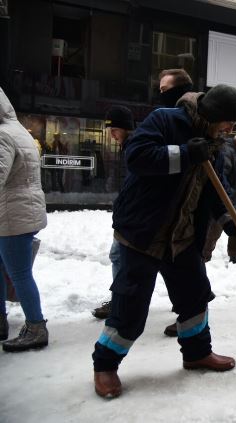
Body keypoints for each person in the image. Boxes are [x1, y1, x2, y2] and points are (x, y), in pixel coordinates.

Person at [91, 85, 236, 398]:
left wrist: (235, 228)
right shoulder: (165, 120)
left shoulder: (215, 145)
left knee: (195, 296)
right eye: (229, 122)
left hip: (181, 238)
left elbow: (215, 193)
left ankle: (196, 353)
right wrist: (184, 153)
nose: (231, 130)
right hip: (143, 234)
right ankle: (105, 365)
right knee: (131, 306)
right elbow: (137, 157)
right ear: (211, 114)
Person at [0, 87, 49, 352]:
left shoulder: (2, 135)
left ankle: (36, 327)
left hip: (13, 216)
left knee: (19, 274)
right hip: (16, 212)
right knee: (9, 271)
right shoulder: (17, 131)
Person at [92, 106, 136, 320]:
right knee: (120, 256)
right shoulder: (127, 146)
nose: (111, 134)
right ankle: (120, 300)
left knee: (121, 256)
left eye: (115, 129)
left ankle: (121, 302)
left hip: (135, 218)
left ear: (126, 128)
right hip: (128, 216)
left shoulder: (135, 147)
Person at [202, 132, 236, 265]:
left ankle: (235, 256)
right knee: (214, 231)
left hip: (234, 201)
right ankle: (204, 256)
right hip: (225, 201)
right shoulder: (228, 151)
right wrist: (227, 198)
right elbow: (222, 176)